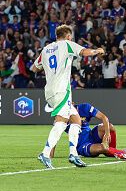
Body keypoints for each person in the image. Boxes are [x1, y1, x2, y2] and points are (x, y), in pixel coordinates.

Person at [30, 25, 105, 168]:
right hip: (61, 90)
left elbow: (34, 68)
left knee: (76, 119)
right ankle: (45, 153)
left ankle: (73, 154)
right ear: (68, 36)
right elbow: (84, 52)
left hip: (50, 90)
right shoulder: (67, 44)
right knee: (61, 121)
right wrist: (98, 51)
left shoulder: (45, 49)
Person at [50, 103, 126, 159]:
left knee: (110, 127)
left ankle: (112, 151)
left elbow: (104, 117)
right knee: (102, 148)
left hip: (91, 135)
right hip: (82, 145)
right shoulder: (61, 118)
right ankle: (123, 153)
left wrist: (107, 134)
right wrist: (50, 154)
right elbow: (55, 136)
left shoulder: (85, 107)